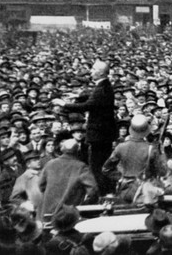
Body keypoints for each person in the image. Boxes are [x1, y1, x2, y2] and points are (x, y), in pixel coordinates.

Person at [53, 60, 117, 195]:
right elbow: (93, 98)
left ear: (100, 73)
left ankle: (103, 194)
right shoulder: (105, 86)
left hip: (98, 135)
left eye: (93, 69)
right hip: (104, 134)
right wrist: (77, 96)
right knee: (102, 165)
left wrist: (64, 104)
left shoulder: (101, 89)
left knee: (96, 167)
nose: (91, 71)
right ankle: (107, 191)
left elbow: (88, 106)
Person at [102, 114, 165, 202]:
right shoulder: (151, 149)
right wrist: (161, 153)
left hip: (125, 190)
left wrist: (121, 178)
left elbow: (106, 169)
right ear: (147, 130)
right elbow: (162, 171)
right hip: (145, 191)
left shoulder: (120, 147)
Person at [38, 139, 98, 222]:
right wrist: (84, 205)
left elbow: (41, 186)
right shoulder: (81, 167)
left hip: (48, 213)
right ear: (78, 150)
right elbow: (93, 191)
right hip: (69, 215)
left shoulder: (50, 164)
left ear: (62, 149)